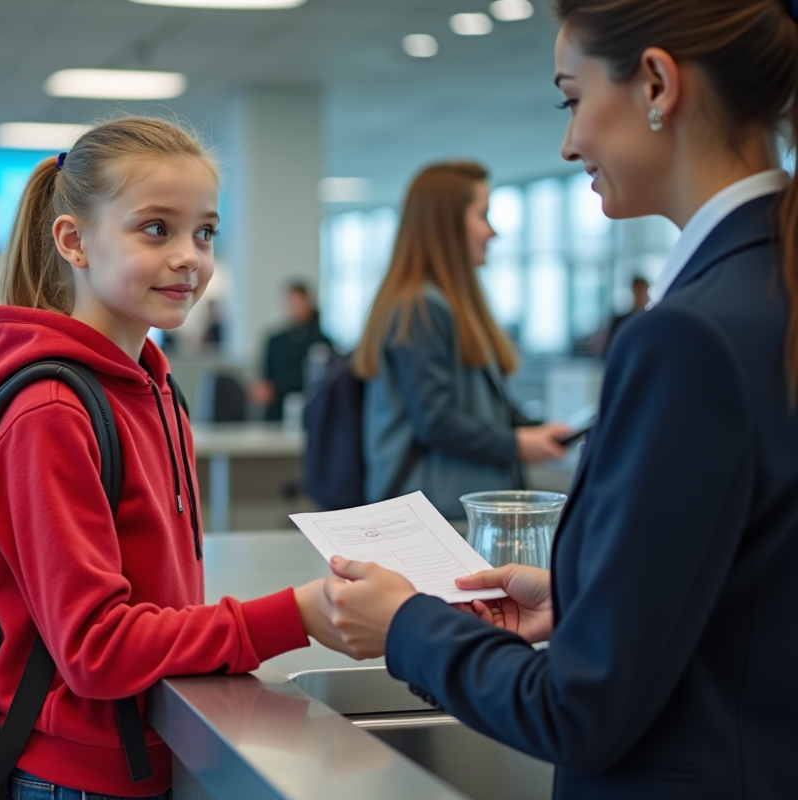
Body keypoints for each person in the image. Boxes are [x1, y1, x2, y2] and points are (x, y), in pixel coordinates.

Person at [320, 2, 798, 798]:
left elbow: (578, 711)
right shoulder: (767, 292)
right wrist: (584, 598)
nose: (568, 141)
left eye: (571, 99)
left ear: (655, 83)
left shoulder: (689, 338)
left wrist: (406, 624)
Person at [0, 118, 343, 800]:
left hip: (151, 749)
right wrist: (296, 615)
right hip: (79, 778)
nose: (190, 256)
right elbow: (95, 646)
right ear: (73, 241)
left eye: (206, 232)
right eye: (156, 229)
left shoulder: (152, 387)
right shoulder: (51, 412)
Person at [352, 162, 571, 519]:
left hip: (451, 511)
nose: (492, 232)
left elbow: (483, 407)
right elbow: (436, 421)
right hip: (436, 517)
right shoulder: (421, 305)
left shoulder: (449, 304)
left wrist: (533, 430)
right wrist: (517, 444)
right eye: (482, 216)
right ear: (447, 224)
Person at [248, 282, 331, 420]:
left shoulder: (321, 341)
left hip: (306, 407)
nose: (294, 308)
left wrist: (276, 386)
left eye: (297, 302)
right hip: (275, 409)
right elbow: (266, 373)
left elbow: (314, 378)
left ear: (308, 302)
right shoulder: (275, 340)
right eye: (290, 303)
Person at [593, 275, 650, 356]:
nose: (642, 295)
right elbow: (610, 348)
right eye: (639, 290)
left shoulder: (651, 322)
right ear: (633, 291)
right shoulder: (620, 321)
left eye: (644, 291)